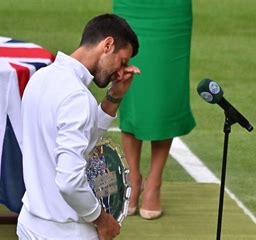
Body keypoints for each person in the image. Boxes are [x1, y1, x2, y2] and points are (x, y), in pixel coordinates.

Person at [17, 14, 140, 240]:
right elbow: (69, 182)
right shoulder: (77, 96)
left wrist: (113, 97)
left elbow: (80, 146)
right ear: (108, 45)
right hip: (66, 232)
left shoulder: (40, 78)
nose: (120, 71)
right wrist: (102, 221)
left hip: (29, 224)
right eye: (122, 61)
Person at [113, 0, 196, 220]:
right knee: (132, 95)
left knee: (164, 94)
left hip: (170, 11)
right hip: (132, 8)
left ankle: (154, 182)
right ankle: (133, 178)